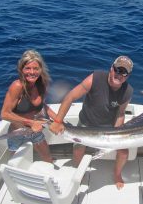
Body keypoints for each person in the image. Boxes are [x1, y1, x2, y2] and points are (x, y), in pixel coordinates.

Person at [50, 55, 134, 189]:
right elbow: (71, 95)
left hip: (107, 129)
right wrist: (58, 121)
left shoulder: (127, 91)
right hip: (86, 123)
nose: (120, 75)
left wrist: (117, 133)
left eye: (124, 73)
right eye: (118, 70)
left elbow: (121, 113)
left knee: (124, 152)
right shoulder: (95, 78)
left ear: (128, 76)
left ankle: (117, 174)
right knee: (78, 147)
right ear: (111, 68)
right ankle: (78, 170)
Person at [0, 50, 57, 163]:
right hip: (17, 133)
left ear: (41, 70)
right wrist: (31, 123)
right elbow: (4, 114)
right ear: (21, 69)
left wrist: (58, 119)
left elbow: (42, 106)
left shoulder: (43, 85)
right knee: (15, 165)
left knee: (48, 159)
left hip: (35, 131)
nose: (32, 72)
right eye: (28, 68)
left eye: (36, 68)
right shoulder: (17, 86)